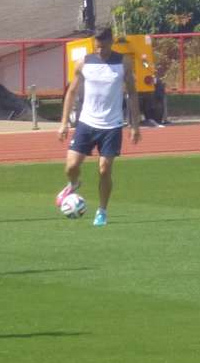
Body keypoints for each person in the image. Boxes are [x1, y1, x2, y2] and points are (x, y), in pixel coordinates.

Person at [56, 27, 141, 227]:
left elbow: (133, 93)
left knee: (104, 170)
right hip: (86, 123)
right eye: (97, 46)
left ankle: (102, 211)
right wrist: (64, 123)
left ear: (111, 42)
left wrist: (135, 125)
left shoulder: (123, 63)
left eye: (103, 46)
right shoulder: (85, 62)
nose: (100, 50)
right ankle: (74, 184)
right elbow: (71, 92)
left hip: (112, 126)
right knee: (71, 166)